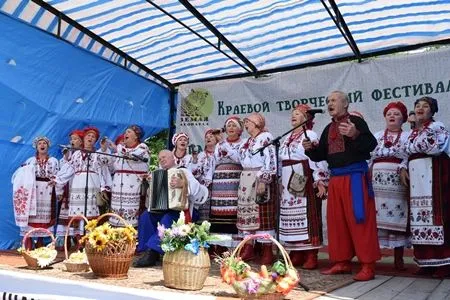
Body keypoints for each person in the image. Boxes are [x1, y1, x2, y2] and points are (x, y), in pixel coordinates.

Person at [303, 91, 380, 281]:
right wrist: (310, 149)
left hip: (354, 177)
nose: (330, 103)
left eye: (334, 100)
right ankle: (341, 262)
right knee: (336, 222)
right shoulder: (328, 127)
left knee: (360, 220)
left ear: (345, 104)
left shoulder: (356, 122)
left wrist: (354, 134)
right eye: (328, 100)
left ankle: (368, 265)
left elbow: (371, 144)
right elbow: (321, 154)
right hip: (336, 179)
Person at [400, 96, 450, 278]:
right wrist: (403, 167)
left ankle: (444, 263)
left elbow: (434, 148)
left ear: (432, 110)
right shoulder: (413, 133)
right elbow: (405, 153)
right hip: (417, 182)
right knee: (419, 219)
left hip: (433, 176)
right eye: (417, 106)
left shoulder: (437, 127)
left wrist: (416, 147)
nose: (420, 108)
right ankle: (426, 262)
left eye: (425, 106)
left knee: (437, 217)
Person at [134, 150, 208, 267]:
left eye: (164, 157)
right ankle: (146, 250)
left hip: (183, 211)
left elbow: (197, 190)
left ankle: (152, 252)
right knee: (145, 217)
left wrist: (183, 183)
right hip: (162, 210)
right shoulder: (158, 174)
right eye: (160, 158)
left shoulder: (183, 171)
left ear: (173, 157)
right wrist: (150, 183)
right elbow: (152, 198)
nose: (162, 160)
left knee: (167, 219)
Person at [279, 104, 328, 270]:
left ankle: (311, 253)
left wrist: (319, 179)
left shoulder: (310, 134)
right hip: (287, 177)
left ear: (307, 118)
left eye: (298, 114)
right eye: (292, 113)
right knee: (290, 216)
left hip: (302, 174)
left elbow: (316, 158)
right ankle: (297, 251)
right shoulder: (288, 137)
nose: (293, 116)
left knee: (307, 214)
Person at [369, 101, 410, 270]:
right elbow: (369, 157)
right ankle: (372, 258)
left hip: (397, 184)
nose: (392, 116)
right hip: (377, 184)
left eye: (397, 114)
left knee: (397, 219)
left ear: (404, 119)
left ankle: (398, 259)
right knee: (375, 219)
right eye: (389, 114)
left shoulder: (408, 136)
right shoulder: (377, 136)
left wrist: (403, 167)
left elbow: (410, 155)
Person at [237, 112, 277, 265]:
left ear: (257, 124)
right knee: (246, 213)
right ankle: (248, 247)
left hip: (259, 177)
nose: (245, 124)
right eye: (245, 122)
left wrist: (264, 180)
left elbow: (271, 159)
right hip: (246, 179)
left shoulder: (265, 137)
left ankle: (267, 250)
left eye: (248, 121)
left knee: (262, 214)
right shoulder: (247, 141)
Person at [52, 127, 112, 220]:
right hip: (78, 184)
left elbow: (102, 170)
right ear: (84, 138)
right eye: (88, 136)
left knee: (90, 212)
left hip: (92, 185)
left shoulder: (97, 154)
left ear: (95, 141)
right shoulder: (76, 154)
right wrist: (57, 180)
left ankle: (89, 232)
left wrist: (103, 187)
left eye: (93, 137)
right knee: (78, 212)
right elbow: (69, 169)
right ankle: (78, 234)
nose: (90, 138)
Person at [12, 136, 59, 247]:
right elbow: (22, 175)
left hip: (48, 191)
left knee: (45, 216)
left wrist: (56, 183)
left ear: (48, 146)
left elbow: (58, 176)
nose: (42, 145)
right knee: (32, 215)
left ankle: (40, 241)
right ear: (36, 147)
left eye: (44, 143)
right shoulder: (30, 161)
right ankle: (28, 240)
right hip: (34, 191)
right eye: (40, 144)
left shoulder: (54, 161)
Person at [208, 116, 244, 253]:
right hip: (219, 181)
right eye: (228, 126)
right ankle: (220, 244)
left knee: (233, 211)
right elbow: (215, 161)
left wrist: (227, 149)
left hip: (235, 179)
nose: (231, 128)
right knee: (219, 212)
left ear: (240, 129)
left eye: (234, 126)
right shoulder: (219, 145)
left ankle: (234, 246)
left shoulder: (243, 143)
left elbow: (239, 158)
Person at [110, 125, 150, 227]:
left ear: (136, 136)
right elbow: (112, 166)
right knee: (116, 216)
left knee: (131, 218)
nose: (125, 134)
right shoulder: (121, 149)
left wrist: (117, 148)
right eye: (125, 132)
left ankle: (131, 235)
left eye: (128, 132)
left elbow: (132, 156)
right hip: (118, 188)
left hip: (132, 187)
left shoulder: (142, 147)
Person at [191, 129, 219, 221]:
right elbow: (196, 174)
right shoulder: (201, 155)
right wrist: (194, 162)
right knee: (204, 217)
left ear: (217, 139)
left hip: (219, 187)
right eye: (206, 137)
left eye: (211, 136)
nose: (208, 138)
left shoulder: (220, 153)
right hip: (205, 189)